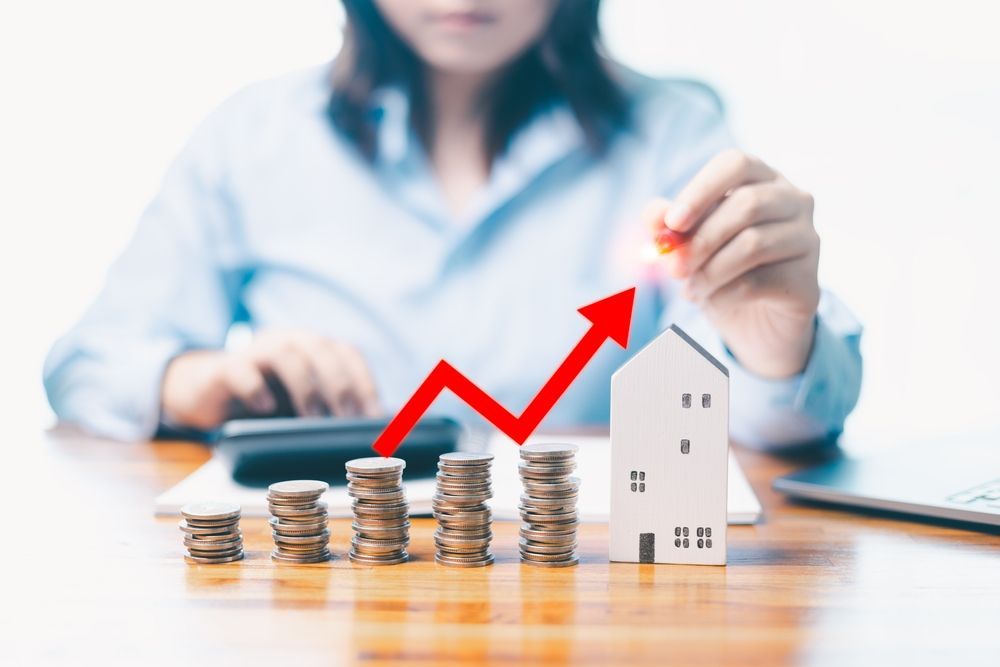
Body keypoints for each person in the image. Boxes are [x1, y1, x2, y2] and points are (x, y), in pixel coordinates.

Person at [44, 0, 862, 449]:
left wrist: (773, 343)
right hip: (320, 598)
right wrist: (197, 381)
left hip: (586, 600)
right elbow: (85, 365)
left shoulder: (675, 135)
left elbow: (772, 429)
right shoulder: (251, 139)